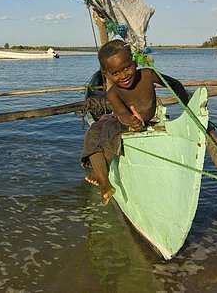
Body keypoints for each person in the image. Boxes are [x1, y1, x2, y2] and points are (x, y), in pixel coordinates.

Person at [81, 39, 189, 205]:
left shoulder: (148, 75)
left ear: (134, 61)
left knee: (107, 132)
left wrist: (186, 105)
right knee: (94, 133)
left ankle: (102, 174)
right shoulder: (112, 93)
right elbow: (122, 114)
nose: (123, 75)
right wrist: (132, 121)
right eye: (115, 73)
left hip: (142, 119)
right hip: (122, 120)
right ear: (107, 75)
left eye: (126, 67)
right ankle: (105, 181)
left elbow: (174, 84)